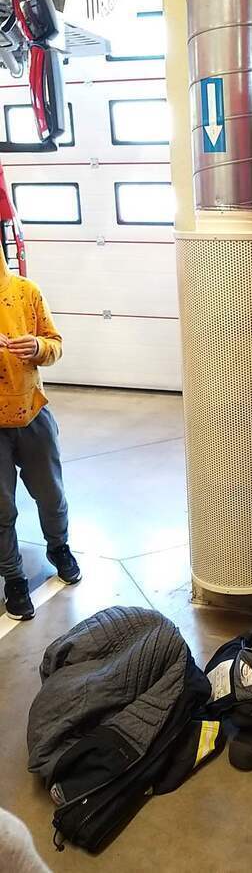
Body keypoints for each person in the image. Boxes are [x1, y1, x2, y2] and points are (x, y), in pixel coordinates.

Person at [0, 250, 80, 622]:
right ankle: (14, 578)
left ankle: (59, 547)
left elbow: (55, 343)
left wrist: (37, 347)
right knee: (1, 509)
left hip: (32, 412)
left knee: (51, 494)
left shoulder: (26, 291)